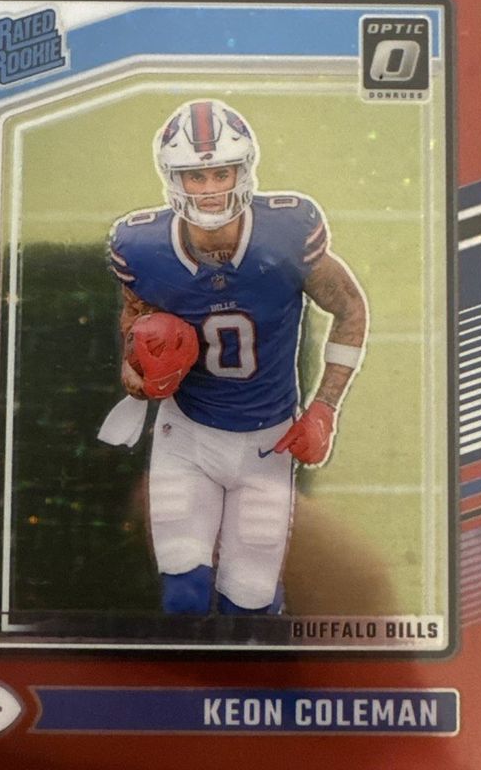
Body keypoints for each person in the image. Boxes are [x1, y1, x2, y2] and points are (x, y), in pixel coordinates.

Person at [108, 99, 368, 616]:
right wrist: (136, 370)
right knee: (183, 596)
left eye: (220, 173)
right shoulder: (140, 246)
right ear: (173, 179)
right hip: (186, 435)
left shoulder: (287, 232)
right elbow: (133, 321)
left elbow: (350, 309)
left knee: (249, 604)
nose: (209, 188)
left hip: (269, 442)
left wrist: (324, 409)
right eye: (195, 175)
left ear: (243, 170)